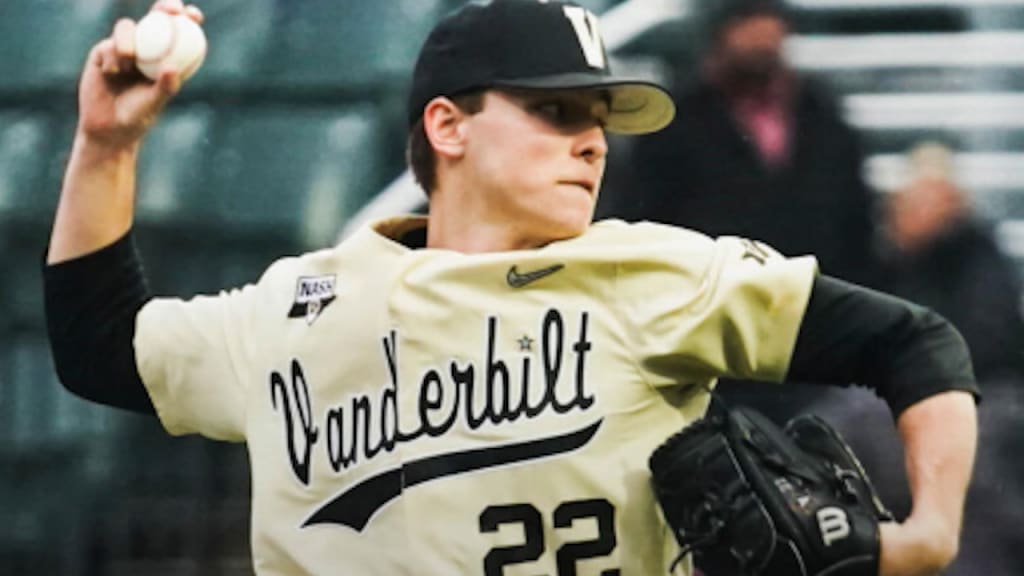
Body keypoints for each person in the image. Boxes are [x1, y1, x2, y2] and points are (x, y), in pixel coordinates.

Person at [44, 1, 977, 574]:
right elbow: (97, 349)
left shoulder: (654, 273)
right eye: (555, 110)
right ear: (447, 127)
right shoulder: (300, 307)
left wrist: (927, 536)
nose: (593, 139)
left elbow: (913, 342)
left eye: (601, 116)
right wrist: (109, 145)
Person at [601, 0, 878, 287]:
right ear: (721, 31)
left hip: (812, 292)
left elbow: (852, 219)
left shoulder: (819, 113)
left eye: (769, 19)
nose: (761, 35)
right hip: (707, 293)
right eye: (747, 21)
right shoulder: (678, 118)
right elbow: (646, 213)